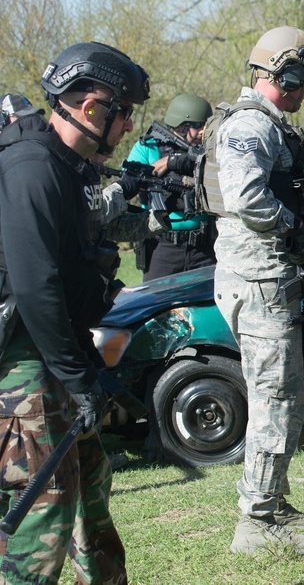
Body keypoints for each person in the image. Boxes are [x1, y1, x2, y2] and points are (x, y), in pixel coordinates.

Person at [0, 41, 150, 585]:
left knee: (91, 496)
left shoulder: (76, 168)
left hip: (62, 355)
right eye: (124, 110)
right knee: (44, 513)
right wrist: (77, 375)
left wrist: (86, 368)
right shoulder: (31, 168)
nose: (129, 125)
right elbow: (36, 289)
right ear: (92, 108)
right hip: (27, 364)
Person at [212, 26, 304, 554]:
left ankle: (273, 501)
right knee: (274, 400)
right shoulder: (251, 128)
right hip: (259, 283)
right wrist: (292, 226)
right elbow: (246, 198)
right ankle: (256, 522)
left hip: (270, 281)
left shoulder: (270, 128)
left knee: (284, 394)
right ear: (284, 75)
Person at [126, 93, 216, 280]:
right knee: (157, 304)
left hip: (204, 246)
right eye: (197, 126)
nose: (203, 131)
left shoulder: (209, 148)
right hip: (162, 247)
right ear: (182, 126)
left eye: (205, 125)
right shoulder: (148, 147)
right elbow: (132, 182)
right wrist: (169, 162)